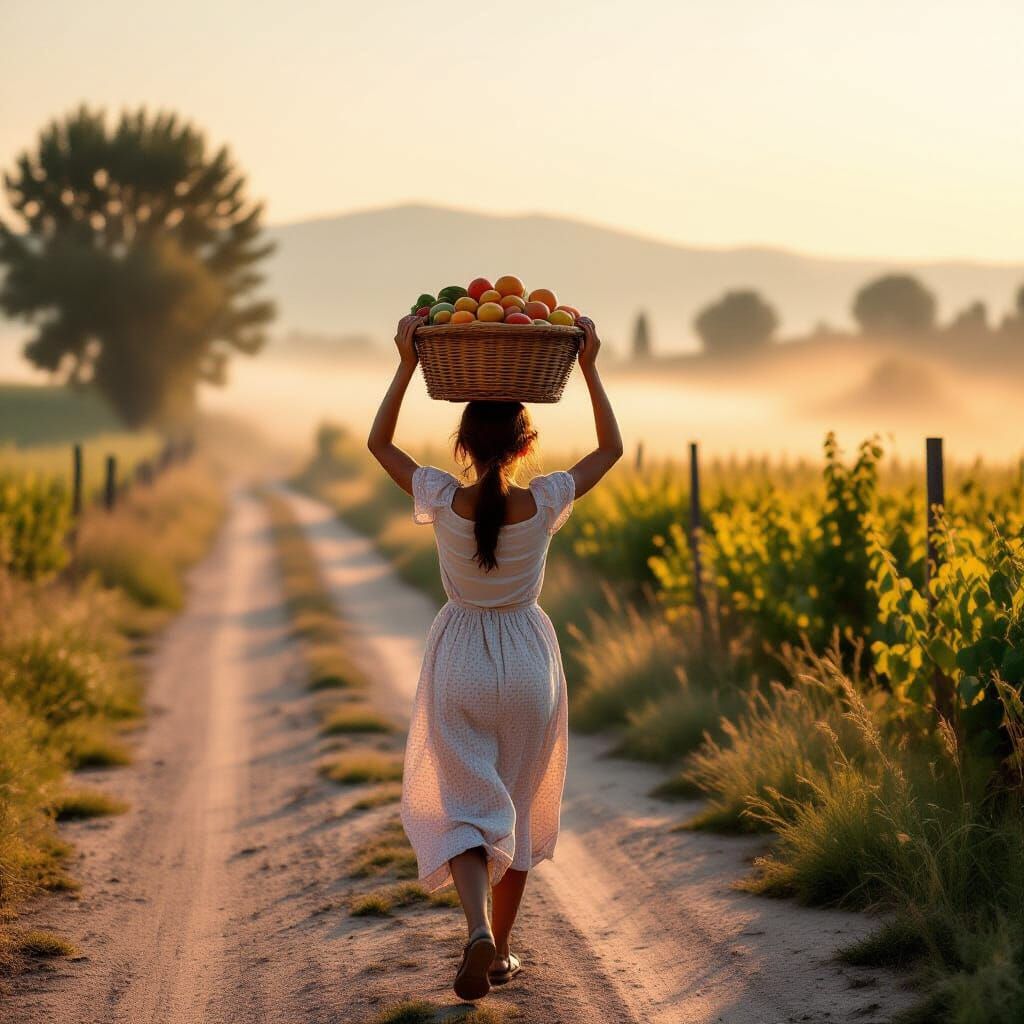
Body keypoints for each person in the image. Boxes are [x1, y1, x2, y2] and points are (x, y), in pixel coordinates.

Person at [367, 313, 623, 1001]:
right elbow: (611, 450)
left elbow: (378, 442)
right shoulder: (544, 502)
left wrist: (407, 362)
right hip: (528, 663)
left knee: (466, 807)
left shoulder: (440, 499)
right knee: (516, 798)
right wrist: (591, 364)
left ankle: (477, 930)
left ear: (461, 444)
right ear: (524, 443)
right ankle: (502, 950)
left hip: (462, 659)